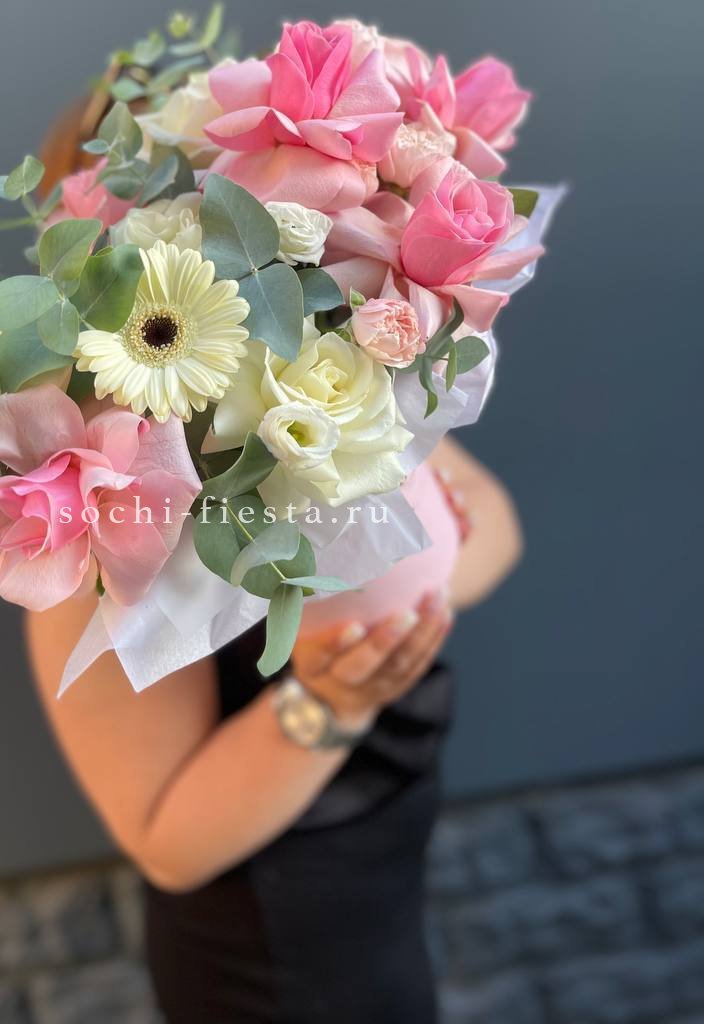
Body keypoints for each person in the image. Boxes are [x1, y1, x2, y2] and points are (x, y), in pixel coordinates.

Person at [27, 434, 522, 1023]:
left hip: (387, 898)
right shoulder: (101, 512)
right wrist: (329, 703)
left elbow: (495, 523)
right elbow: (168, 846)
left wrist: (396, 590)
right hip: (268, 959)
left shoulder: (332, 399)